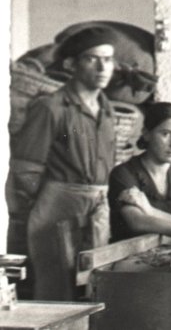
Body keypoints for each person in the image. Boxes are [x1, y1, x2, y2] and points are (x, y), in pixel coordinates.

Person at [11, 26, 119, 299]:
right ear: (72, 63)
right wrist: (37, 208)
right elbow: (26, 169)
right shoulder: (52, 107)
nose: (102, 67)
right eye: (92, 58)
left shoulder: (106, 110)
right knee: (56, 288)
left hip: (97, 205)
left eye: (107, 60)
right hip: (58, 205)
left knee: (94, 286)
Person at [108, 102, 171, 241]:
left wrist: (150, 211)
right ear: (146, 134)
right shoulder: (124, 173)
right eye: (166, 134)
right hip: (130, 255)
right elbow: (138, 222)